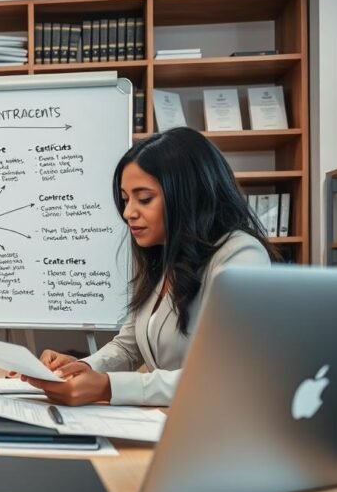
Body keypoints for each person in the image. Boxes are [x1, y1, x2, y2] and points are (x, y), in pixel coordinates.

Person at [22, 127, 277, 407]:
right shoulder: (164, 256)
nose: (128, 212)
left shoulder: (240, 255)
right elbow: (128, 346)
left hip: (216, 428)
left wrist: (108, 387)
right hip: (168, 421)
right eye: (125, 199)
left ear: (188, 195)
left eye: (144, 199)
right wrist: (80, 369)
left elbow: (226, 375)